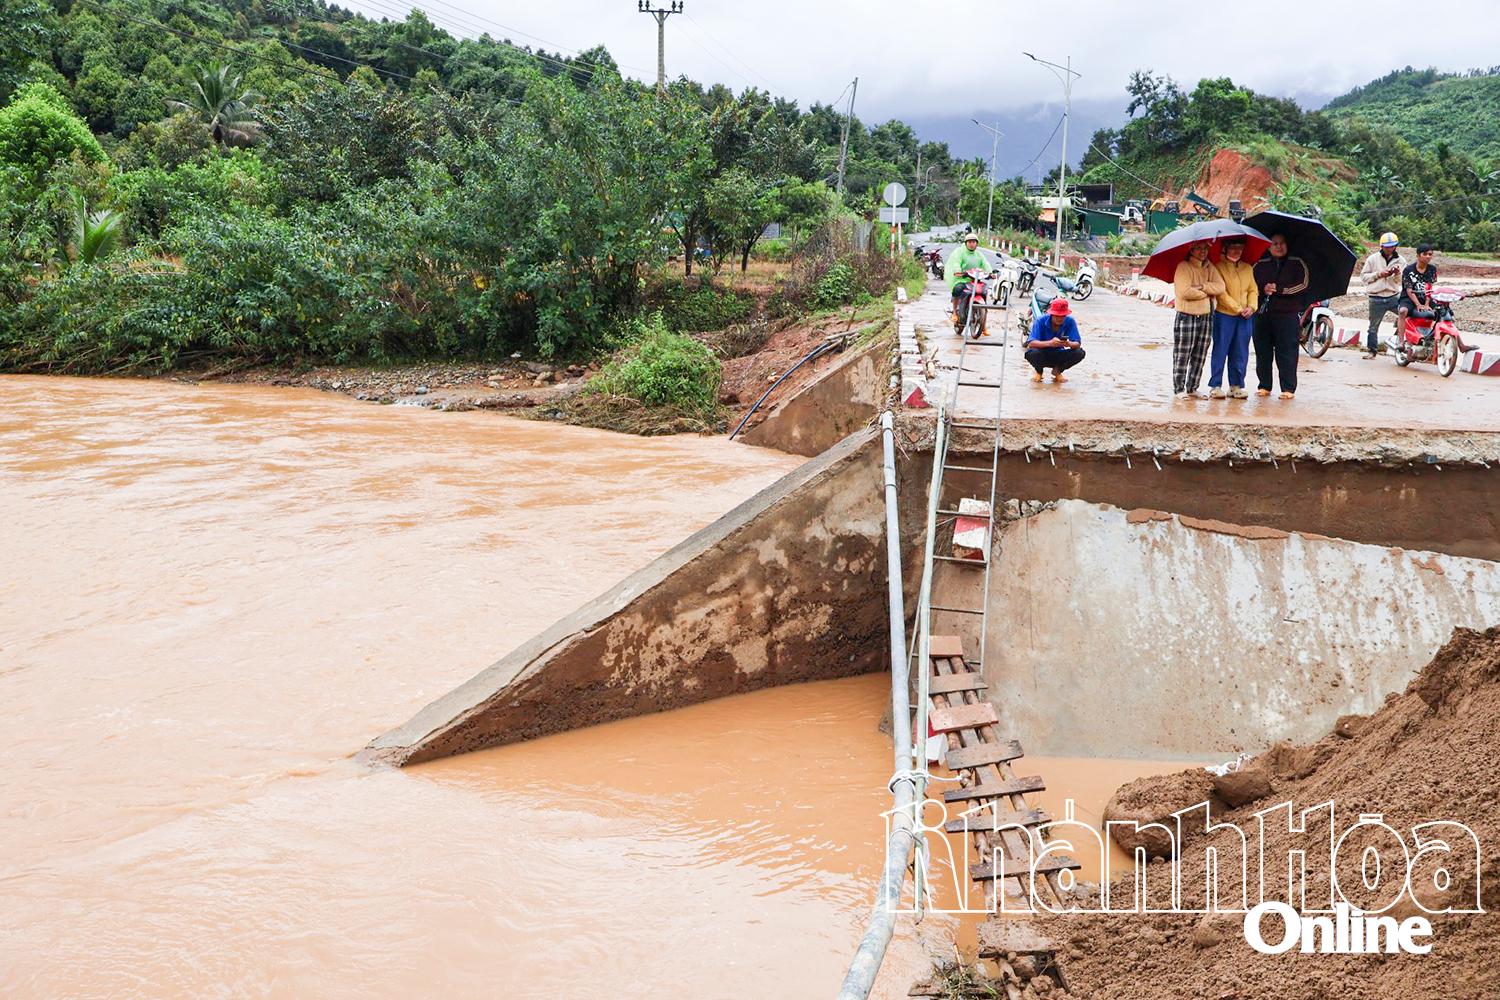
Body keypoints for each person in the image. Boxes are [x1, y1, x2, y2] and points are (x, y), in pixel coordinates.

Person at [1251, 233, 1309, 399]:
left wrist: (1281, 290)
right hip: (1263, 314)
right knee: (1262, 351)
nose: (1278, 246)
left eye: (1282, 243)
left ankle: (1288, 389)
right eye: (1274, 243)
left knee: (1287, 352)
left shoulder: (1297, 263)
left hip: (1287, 315)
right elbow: (1251, 284)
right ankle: (1264, 386)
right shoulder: (1260, 263)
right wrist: (1263, 289)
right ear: (1268, 246)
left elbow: (1303, 284)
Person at [1170, 240, 1225, 399]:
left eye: (1205, 248)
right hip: (1187, 316)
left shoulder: (1210, 267)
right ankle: (1179, 389)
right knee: (1182, 353)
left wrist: (1202, 287)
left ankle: (1193, 387)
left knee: (1200, 354)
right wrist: (1207, 293)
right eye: (1199, 248)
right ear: (1191, 249)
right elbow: (1184, 292)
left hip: (1207, 316)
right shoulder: (1183, 267)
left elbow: (1220, 287)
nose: (1203, 251)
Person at [1207, 238, 1257, 399]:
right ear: (1225, 248)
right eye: (1233, 247)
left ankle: (1236, 385)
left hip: (1245, 317)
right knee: (1221, 350)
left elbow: (1253, 290)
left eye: (1240, 248)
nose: (1237, 251)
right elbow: (1221, 293)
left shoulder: (1248, 268)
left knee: (1241, 352)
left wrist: (1252, 307)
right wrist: (1238, 309)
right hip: (1225, 316)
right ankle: (1215, 385)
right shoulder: (1218, 267)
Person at [1359, 232, 1404, 358]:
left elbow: (1400, 282)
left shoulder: (1401, 260)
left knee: (1405, 317)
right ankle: (1372, 351)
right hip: (1376, 297)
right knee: (1373, 326)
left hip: (1393, 295)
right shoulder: (1372, 259)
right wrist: (1379, 274)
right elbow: (1363, 277)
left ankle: (1398, 341)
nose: (1389, 249)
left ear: (1396, 246)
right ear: (1381, 246)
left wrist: (1397, 274)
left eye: (1392, 246)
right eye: (1386, 246)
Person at [1024, 297, 1085, 383]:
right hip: (1042, 353)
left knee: (1079, 352)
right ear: (1051, 314)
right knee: (1032, 353)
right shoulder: (1040, 321)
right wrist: (1050, 343)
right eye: (1057, 316)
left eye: (1062, 316)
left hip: (1059, 353)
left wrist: (1068, 343)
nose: (1059, 319)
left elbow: (1077, 343)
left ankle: (1057, 371)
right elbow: (1031, 343)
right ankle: (1039, 371)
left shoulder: (1070, 321)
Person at [1397, 244, 1439, 342]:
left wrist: (1426, 304)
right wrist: (1419, 305)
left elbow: (1429, 287)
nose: (1428, 256)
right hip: (1408, 298)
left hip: (1425, 297)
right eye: (1425, 254)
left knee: (1442, 311)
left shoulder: (1432, 269)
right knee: (1403, 311)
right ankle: (1401, 342)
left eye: (1430, 254)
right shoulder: (1408, 270)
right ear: (1418, 255)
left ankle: (1433, 338)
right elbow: (1409, 290)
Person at [947, 234, 989, 333]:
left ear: (976, 244)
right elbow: (956, 262)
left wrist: (991, 273)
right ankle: (954, 313)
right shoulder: (961, 253)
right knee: (957, 289)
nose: (971, 244)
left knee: (985, 292)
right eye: (969, 242)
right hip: (963, 279)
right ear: (966, 243)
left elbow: (985, 264)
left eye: (973, 242)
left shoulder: (979, 255)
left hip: (976, 280)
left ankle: (983, 323)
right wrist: (958, 270)